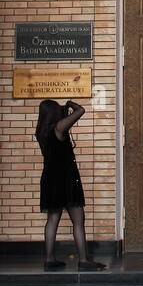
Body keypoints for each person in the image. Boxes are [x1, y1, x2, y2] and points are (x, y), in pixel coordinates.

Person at [35, 98, 106, 271]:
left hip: (49, 179)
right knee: (79, 220)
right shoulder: (58, 128)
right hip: (65, 180)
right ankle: (83, 260)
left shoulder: (41, 131)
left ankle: (49, 259)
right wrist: (70, 103)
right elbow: (80, 110)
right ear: (53, 113)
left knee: (52, 219)